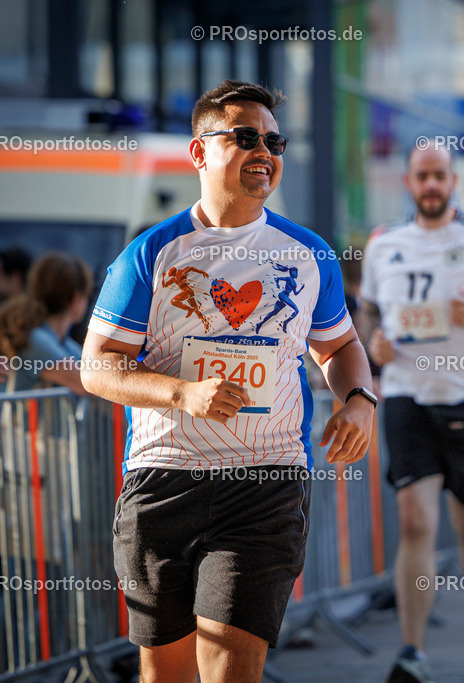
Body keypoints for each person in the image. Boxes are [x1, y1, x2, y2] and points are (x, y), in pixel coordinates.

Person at [80, 80, 375, 682]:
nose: (264, 150)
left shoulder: (308, 253)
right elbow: (98, 366)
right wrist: (182, 393)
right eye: (245, 137)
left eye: (274, 140)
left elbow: (341, 345)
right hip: (165, 480)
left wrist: (359, 399)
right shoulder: (152, 254)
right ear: (199, 153)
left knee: (231, 667)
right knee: (166, 674)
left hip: (265, 484)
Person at [359, 144, 464, 681]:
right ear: (408, 182)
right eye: (421, 177)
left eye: (440, 176)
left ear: (455, 181)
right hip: (407, 393)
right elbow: (368, 317)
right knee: (414, 520)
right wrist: (374, 346)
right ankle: (413, 651)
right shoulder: (384, 242)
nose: (431, 185)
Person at [0, 252, 92, 394]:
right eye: (87, 295)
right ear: (76, 299)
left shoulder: (63, 343)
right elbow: (89, 385)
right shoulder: (35, 340)